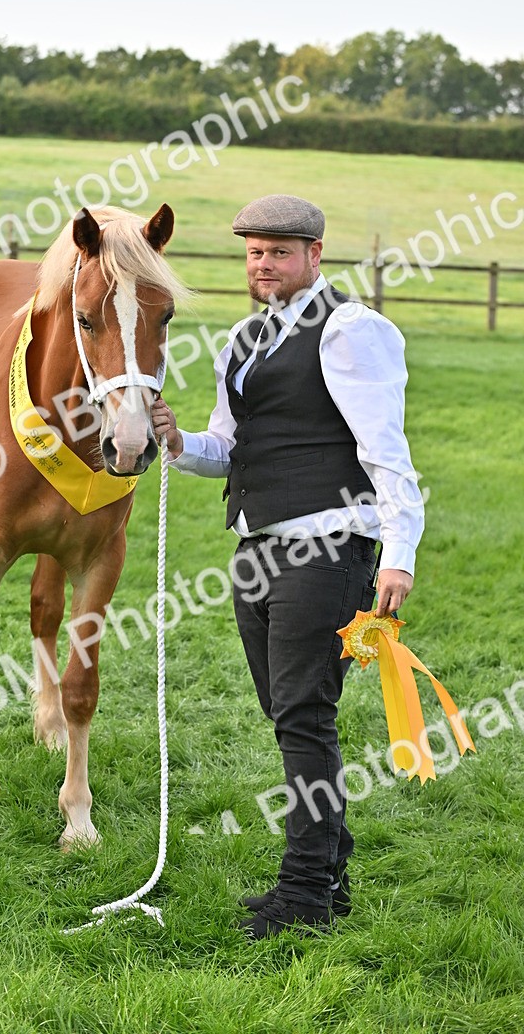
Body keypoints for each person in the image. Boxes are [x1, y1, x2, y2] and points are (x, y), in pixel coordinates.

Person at [152, 194, 424, 940]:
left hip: (329, 547)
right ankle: (329, 874)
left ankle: (304, 895)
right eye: (253, 251)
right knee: (291, 718)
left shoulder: (351, 330)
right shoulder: (241, 339)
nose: (262, 264)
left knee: (305, 719)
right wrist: (177, 443)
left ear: (313, 253)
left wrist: (399, 551)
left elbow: (385, 449)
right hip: (256, 549)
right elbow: (225, 450)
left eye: (278, 251)